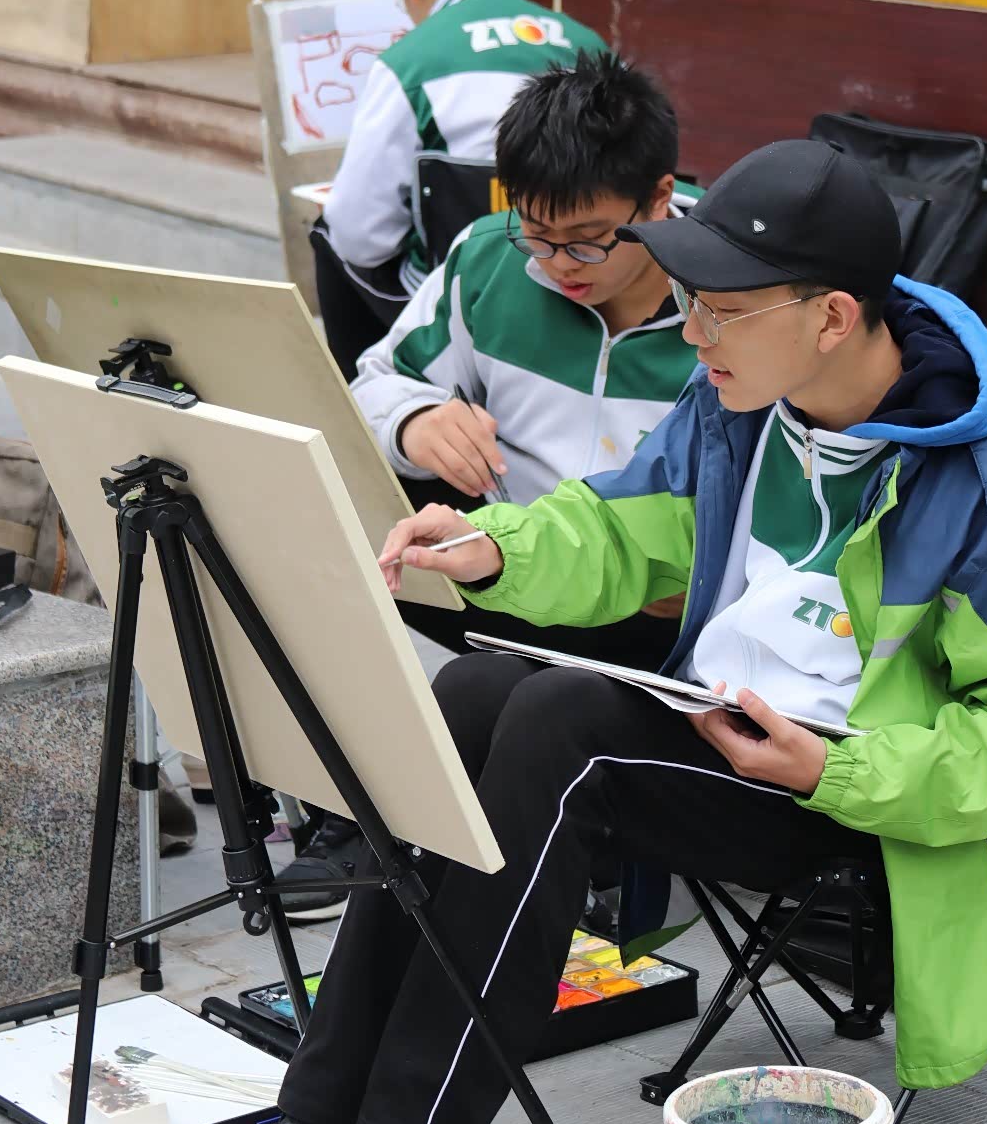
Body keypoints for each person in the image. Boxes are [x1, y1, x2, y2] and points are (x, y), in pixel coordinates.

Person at [176, 139, 987, 1124]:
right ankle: (319, 1122)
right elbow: (624, 529)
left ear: (830, 318)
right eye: (691, 301)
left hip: (858, 796)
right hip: (722, 734)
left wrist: (829, 768)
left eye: (721, 309)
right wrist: (490, 546)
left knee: (563, 725)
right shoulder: (738, 403)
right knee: (471, 692)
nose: (692, 331)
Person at [277, 51, 697, 917]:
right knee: (313, 545)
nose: (559, 263)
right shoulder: (486, 259)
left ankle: (542, 836)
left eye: (589, 239)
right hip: (513, 577)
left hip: (662, 618)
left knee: (526, 696)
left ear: (660, 199)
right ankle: (363, 813)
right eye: (537, 233)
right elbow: (375, 381)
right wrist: (416, 421)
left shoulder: (727, 299)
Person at [312, 0, 606, 378]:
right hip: (587, 273)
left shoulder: (409, 62)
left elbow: (360, 236)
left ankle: (367, 392)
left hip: (459, 287)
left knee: (330, 231)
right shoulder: (588, 42)